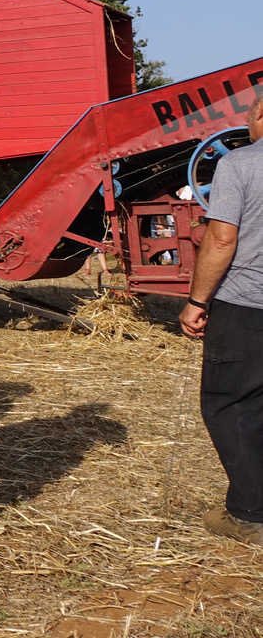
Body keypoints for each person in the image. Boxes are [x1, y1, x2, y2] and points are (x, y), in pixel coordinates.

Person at [180, 97, 263, 546]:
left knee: (230, 402)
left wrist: (197, 299)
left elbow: (221, 238)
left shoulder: (240, 165)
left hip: (247, 306)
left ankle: (250, 513)